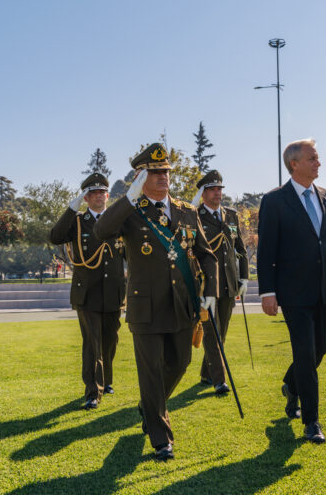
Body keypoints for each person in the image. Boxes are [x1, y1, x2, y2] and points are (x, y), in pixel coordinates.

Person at [93, 143, 217, 461]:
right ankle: (161, 438)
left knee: (180, 364)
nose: (163, 176)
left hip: (182, 304)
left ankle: (148, 407)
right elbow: (101, 230)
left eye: (165, 171)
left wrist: (211, 292)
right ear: (140, 176)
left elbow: (205, 254)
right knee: (150, 373)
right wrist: (129, 197)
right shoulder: (131, 211)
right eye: (155, 172)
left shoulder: (186, 211)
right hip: (145, 307)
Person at [257, 138, 326, 444]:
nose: (318, 163)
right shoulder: (274, 201)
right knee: (305, 352)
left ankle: (291, 385)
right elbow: (266, 250)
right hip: (293, 293)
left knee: (318, 350)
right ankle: (312, 422)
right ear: (294, 164)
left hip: (325, 290)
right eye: (312, 158)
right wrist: (267, 291)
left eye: (317, 158)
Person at [50, 173, 126, 410]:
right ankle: (93, 391)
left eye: (102, 192)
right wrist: (72, 208)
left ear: (108, 195)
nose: (98, 197)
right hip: (87, 293)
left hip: (113, 291)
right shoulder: (78, 221)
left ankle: (106, 380)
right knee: (92, 344)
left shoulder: (118, 221)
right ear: (86, 198)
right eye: (93, 193)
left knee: (110, 340)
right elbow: (55, 237)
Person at [192, 170, 249, 394]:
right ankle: (219, 380)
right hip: (207, 285)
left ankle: (206, 373)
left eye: (219, 189)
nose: (217, 193)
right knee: (211, 332)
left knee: (221, 333)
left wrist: (243, 277)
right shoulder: (195, 216)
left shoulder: (231, 215)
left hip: (228, 283)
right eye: (212, 189)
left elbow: (240, 249)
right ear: (203, 193)